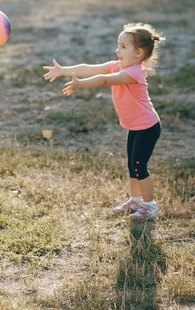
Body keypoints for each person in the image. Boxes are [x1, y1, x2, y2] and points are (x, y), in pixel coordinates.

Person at [42, 23, 165, 221]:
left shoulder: (134, 73)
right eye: (118, 45)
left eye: (123, 47)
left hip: (147, 128)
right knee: (132, 166)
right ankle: (136, 201)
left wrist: (80, 84)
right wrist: (64, 70)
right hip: (136, 127)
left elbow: (105, 80)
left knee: (140, 167)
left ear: (139, 53)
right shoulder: (117, 65)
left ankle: (150, 206)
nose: (117, 50)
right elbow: (90, 68)